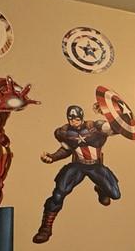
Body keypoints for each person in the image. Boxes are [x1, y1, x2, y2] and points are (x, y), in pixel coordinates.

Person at [32, 104, 121, 243]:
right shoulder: (65, 132)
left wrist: (107, 112)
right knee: (58, 194)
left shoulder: (95, 127)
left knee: (115, 194)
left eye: (77, 119)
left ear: (82, 118)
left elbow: (116, 128)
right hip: (78, 166)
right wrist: (52, 157)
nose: (74, 121)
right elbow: (66, 149)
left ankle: (101, 189)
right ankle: (45, 228)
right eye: (71, 118)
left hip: (95, 166)